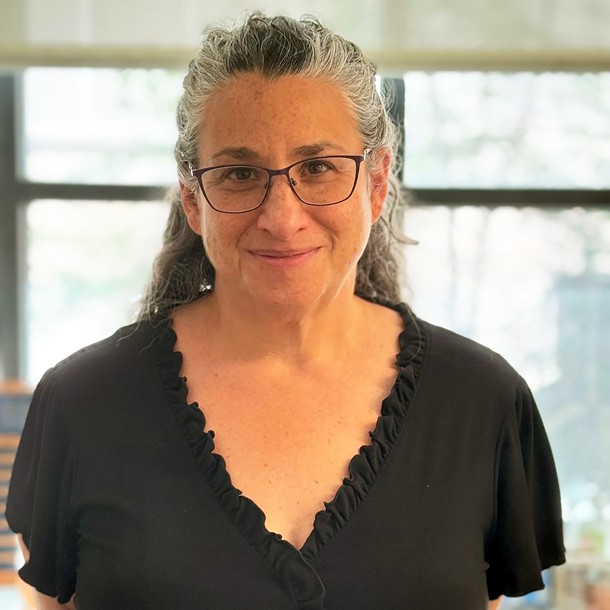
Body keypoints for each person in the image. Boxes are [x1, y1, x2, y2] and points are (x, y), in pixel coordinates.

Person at [6, 13, 565, 610]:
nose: (282, 217)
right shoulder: (81, 404)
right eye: (240, 173)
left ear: (377, 183)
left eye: (318, 168)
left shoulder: (483, 401)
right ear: (194, 199)